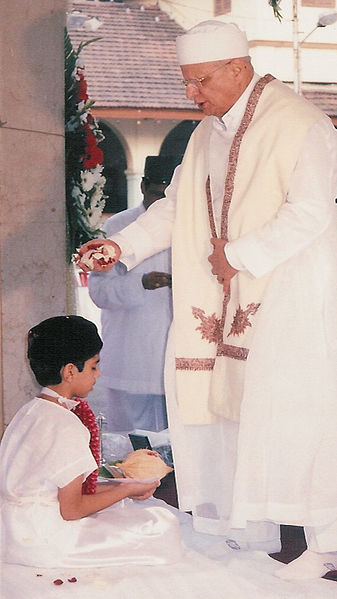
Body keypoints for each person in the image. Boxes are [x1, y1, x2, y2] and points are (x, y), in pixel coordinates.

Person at [77, 20, 337, 580]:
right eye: (187, 81)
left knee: (296, 416)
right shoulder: (205, 135)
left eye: (199, 81)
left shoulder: (300, 124)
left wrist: (238, 256)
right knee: (234, 411)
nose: (190, 94)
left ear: (237, 69)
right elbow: (173, 209)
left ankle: (323, 546)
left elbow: (313, 209)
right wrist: (119, 246)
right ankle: (251, 527)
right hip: (230, 303)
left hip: (290, 298)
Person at [0, 315, 182, 568]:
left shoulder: (29, 411)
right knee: (162, 525)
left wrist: (126, 486)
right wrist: (127, 489)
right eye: (94, 366)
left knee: (129, 509)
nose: (98, 375)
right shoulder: (66, 424)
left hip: (10, 534)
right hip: (45, 541)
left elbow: (57, 491)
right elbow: (72, 509)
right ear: (70, 371)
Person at [88, 156, 178, 433]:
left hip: (175, 364)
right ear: (142, 186)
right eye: (155, 194)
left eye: (168, 196)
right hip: (131, 361)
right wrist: (141, 283)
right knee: (129, 452)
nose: (161, 204)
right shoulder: (117, 228)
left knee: (176, 454)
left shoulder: (190, 228)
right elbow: (99, 292)